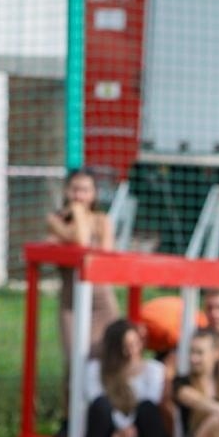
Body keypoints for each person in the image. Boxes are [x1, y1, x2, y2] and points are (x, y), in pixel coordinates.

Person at [45, 169, 121, 407]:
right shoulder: (55, 220)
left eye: (85, 190)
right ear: (66, 191)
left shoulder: (103, 221)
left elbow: (104, 253)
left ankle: (106, 410)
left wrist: (69, 233)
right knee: (75, 362)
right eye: (75, 189)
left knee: (109, 356)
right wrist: (78, 214)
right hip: (72, 303)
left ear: (94, 193)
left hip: (102, 302)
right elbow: (82, 241)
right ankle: (70, 417)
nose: (80, 195)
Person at [79, 318, 170, 437]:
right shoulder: (95, 369)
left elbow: (152, 401)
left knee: (148, 407)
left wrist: (130, 429)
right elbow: (95, 399)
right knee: (100, 404)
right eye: (125, 347)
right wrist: (122, 428)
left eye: (135, 344)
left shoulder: (154, 370)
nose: (132, 351)